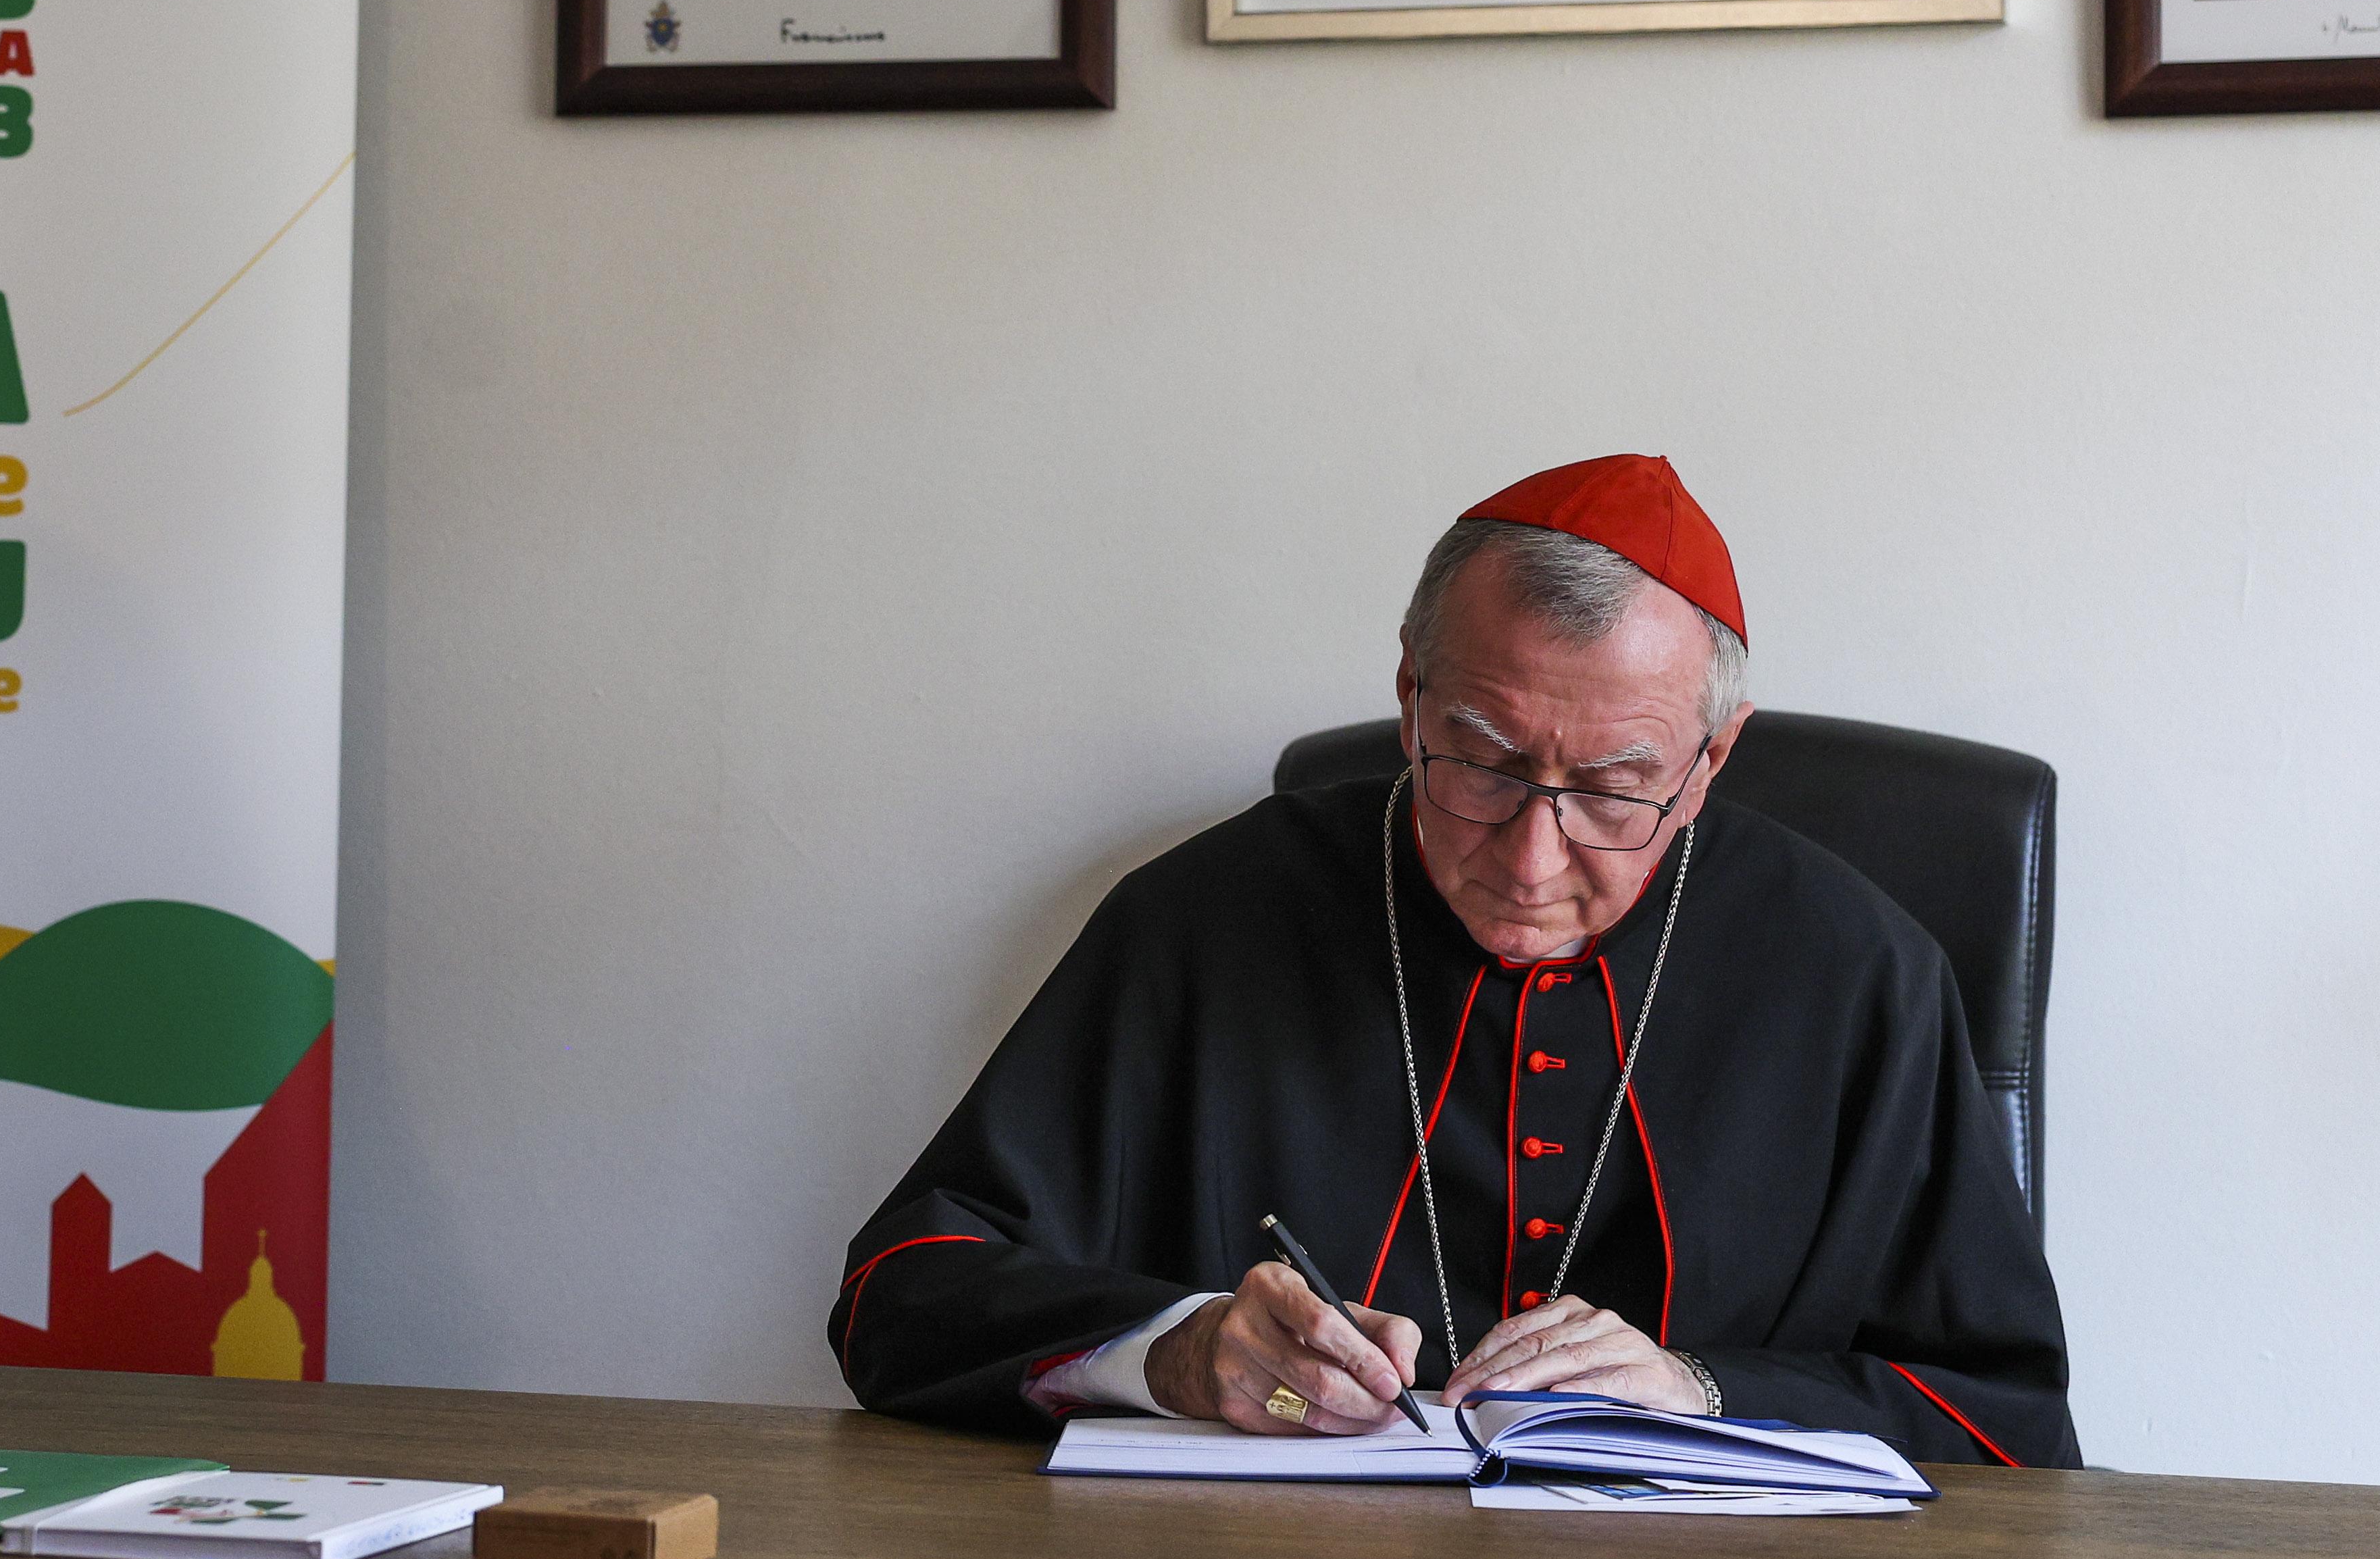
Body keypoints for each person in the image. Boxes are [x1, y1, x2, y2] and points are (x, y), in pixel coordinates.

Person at [830, 455, 2075, 1466]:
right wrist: (1174, 1348)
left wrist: (1702, 1388)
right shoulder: (1206, 921)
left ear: (1712, 759)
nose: (1532, 859)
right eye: (1480, 762)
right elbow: (901, 1293)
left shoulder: (1853, 974)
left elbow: (2004, 1419)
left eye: (1610, 788)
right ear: (1410, 692)